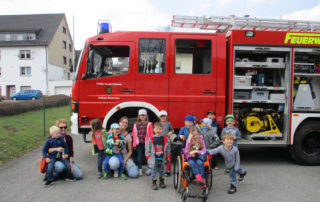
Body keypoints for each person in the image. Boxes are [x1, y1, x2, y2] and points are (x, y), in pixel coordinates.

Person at [145, 122, 171, 190]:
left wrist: (168, 156)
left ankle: (161, 182)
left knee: (161, 171)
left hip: (162, 158)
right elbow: (147, 149)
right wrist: (148, 157)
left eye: (160, 129)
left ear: (162, 130)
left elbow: (168, 149)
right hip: (154, 159)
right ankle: (154, 183)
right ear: (153, 130)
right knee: (153, 171)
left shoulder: (165, 139)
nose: (158, 131)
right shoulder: (151, 139)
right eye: (157, 129)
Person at [132, 109, 153, 176]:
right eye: (141, 115)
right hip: (139, 143)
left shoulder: (149, 124)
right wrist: (135, 142)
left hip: (147, 143)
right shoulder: (136, 124)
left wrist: (151, 141)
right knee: (140, 156)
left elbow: (151, 133)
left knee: (148, 156)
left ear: (146, 116)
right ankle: (139, 169)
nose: (142, 117)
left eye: (144, 115)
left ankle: (150, 168)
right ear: (139, 116)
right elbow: (134, 133)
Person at [158, 110, 174, 177]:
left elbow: (172, 130)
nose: (163, 118)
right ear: (159, 117)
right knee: (159, 155)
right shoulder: (158, 124)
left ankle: (168, 170)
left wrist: (171, 132)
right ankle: (160, 169)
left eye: (164, 117)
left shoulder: (168, 123)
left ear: (166, 117)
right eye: (162, 117)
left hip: (167, 141)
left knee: (168, 155)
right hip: (159, 141)